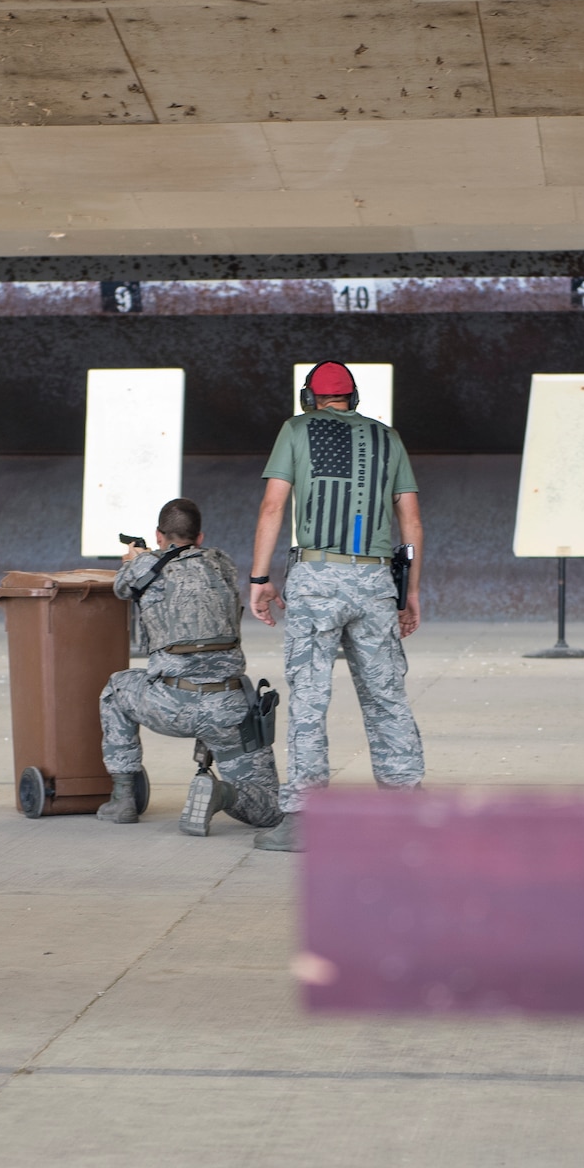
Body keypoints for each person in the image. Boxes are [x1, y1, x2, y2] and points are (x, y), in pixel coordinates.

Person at [246, 361, 425, 852]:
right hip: (374, 580)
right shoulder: (388, 439)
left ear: (310, 398)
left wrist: (260, 579)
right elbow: (410, 520)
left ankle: (304, 817)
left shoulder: (296, 430)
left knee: (309, 698)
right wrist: (409, 591)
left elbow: (272, 507)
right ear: (354, 398)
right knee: (386, 696)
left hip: (316, 579)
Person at [97, 498, 284, 836]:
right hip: (228, 708)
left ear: (158, 535)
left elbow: (122, 587)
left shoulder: (144, 568)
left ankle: (123, 798)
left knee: (115, 689)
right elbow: (190, 566)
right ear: (200, 537)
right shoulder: (223, 562)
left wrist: (136, 559)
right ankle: (223, 793)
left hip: (170, 703)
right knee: (269, 808)